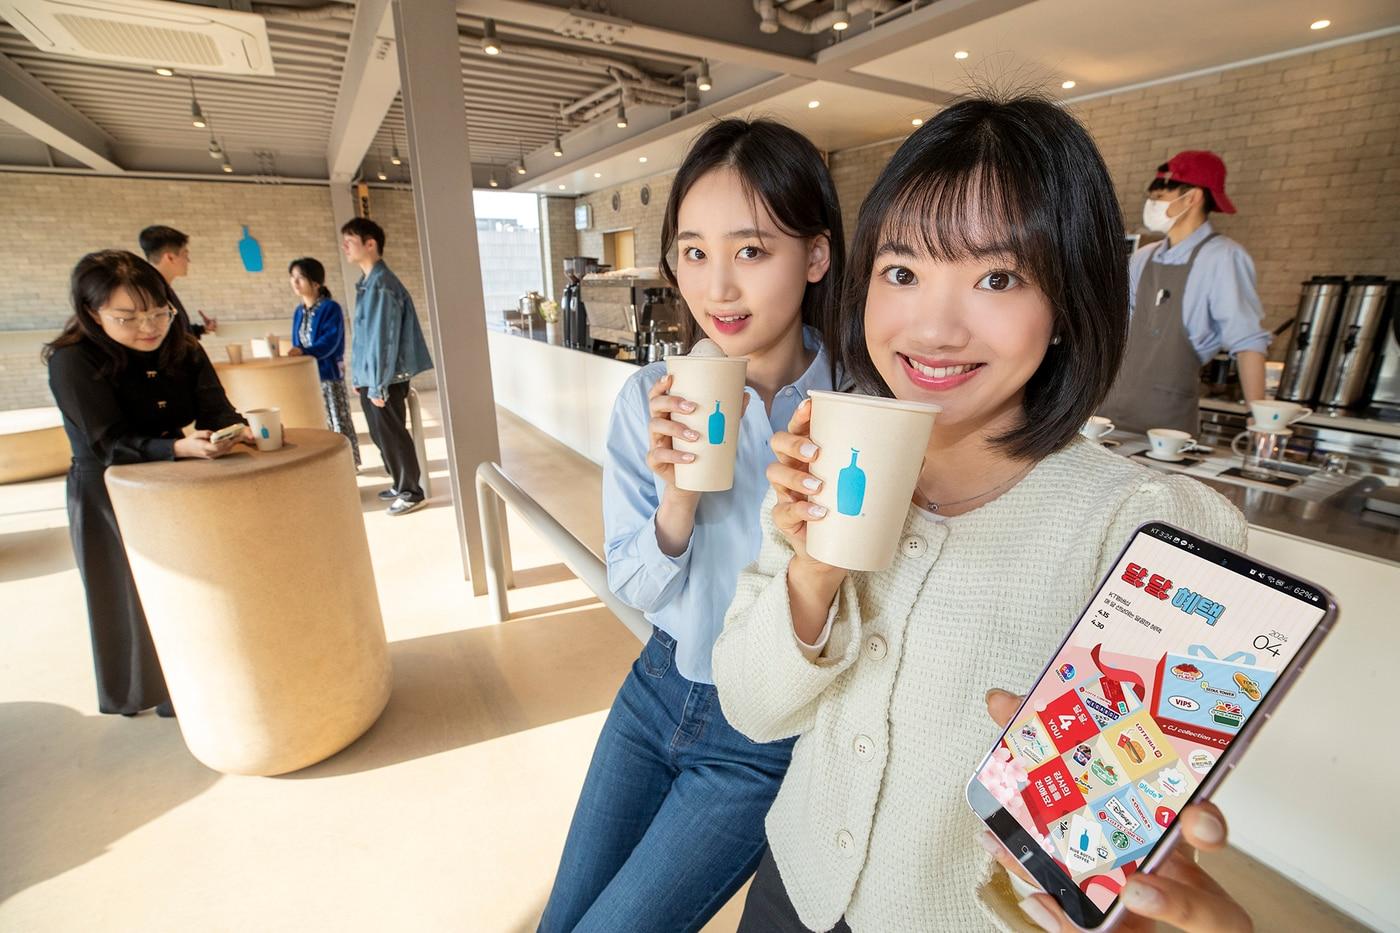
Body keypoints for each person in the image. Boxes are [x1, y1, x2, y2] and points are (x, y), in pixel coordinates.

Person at [712, 96, 1255, 933]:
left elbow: (1104, 838)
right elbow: (751, 709)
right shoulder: (833, 456)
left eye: (998, 278)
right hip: (795, 886)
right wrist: (813, 569)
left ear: (1069, 302)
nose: (932, 328)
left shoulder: (1155, 528)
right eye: (902, 272)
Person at [538, 118, 844, 933]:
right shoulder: (651, 397)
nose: (719, 288)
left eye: (751, 251)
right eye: (695, 253)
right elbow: (634, 583)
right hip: (656, 687)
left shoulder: (859, 407)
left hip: (761, 735)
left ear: (815, 256)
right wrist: (676, 502)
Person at [45, 250, 246, 718]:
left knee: (190, 588)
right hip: (107, 489)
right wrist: (177, 447)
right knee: (128, 595)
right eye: (128, 317)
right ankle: (143, 691)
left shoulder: (182, 347)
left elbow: (216, 408)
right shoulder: (72, 360)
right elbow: (107, 442)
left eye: (158, 312)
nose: (148, 327)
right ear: (92, 312)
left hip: (174, 481)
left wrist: (232, 431)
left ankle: (191, 686)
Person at [1099, 151, 1271, 435]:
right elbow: (1117, 331)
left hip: (1167, 427)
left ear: (1192, 197)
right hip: (1107, 415)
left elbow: (1248, 340)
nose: (1152, 205)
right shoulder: (1142, 258)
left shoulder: (1223, 258)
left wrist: (1259, 417)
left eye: (1160, 197)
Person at [339, 217, 433, 516]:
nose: (345, 247)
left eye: (350, 241)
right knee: (381, 435)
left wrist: (377, 384)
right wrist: (360, 376)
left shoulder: (382, 285)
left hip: (387, 378)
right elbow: (364, 337)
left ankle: (411, 492)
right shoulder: (368, 283)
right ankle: (399, 483)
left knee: (393, 435)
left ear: (370, 244)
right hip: (373, 377)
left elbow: (384, 339)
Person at [286, 257, 360, 467]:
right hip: (309, 377)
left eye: (300, 277)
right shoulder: (299, 311)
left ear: (316, 282)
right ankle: (328, 464)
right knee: (319, 422)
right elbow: (296, 342)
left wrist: (304, 351)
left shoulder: (330, 308)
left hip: (329, 375)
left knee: (338, 420)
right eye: (292, 277)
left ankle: (347, 464)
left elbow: (330, 341)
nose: (295, 282)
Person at [138, 225, 218, 340]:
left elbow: (175, 332)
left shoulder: (162, 288)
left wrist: (202, 329)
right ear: (170, 258)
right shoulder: (150, 295)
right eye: (185, 255)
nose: (188, 261)